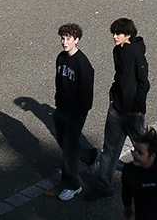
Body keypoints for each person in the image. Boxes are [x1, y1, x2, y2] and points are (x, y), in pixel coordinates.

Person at [91, 18, 149, 199]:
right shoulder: (117, 50)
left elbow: (143, 83)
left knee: (143, 152)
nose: (115, 37)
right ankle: (104, 186)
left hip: (132, 112)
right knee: (109, 149)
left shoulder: (136, 53)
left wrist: (138, 109)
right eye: (113, 33)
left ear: (128, 35)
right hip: (117, 108)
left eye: (118, 34)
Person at [52, 25, 95, 201]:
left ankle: (72, 185)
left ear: (76, 40)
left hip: (75, 113)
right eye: (63, 38)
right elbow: (59, 82)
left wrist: (78, 113)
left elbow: (86, 94)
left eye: (68, 38)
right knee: (64, 143)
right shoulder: (61, 58)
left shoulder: (83, 64)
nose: (64, 42)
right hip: (61, 109)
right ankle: (91, 155)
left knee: (68, 149)